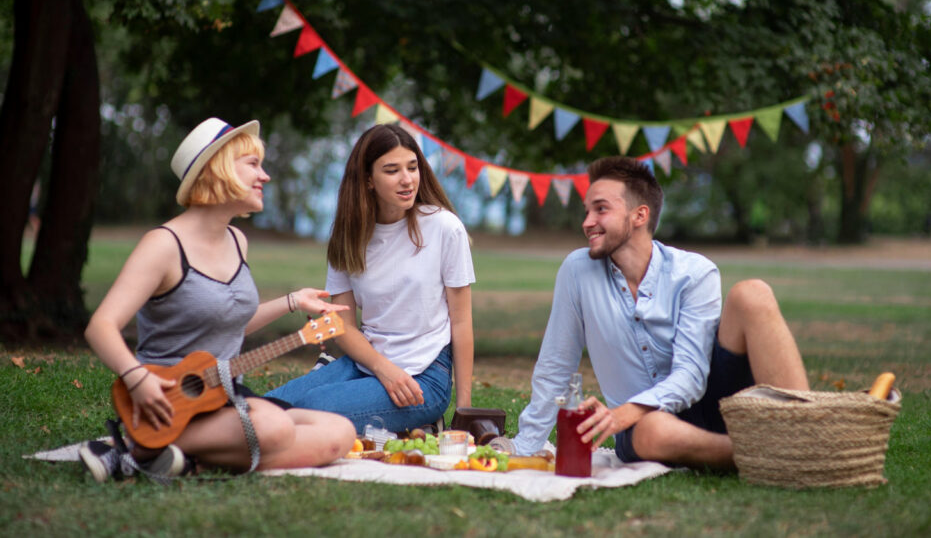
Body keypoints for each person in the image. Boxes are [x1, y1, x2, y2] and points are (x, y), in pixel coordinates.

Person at [80, 117, 356, 482]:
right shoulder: (163, 245)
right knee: (276, 429)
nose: (266, 176)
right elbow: (101, 326)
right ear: (219, 169)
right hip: (166, 401)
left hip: (220, 394)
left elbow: (229, 323)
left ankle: (177, 460)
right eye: (253, 164)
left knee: (339, 433)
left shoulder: (237, 241)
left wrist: (292, 301)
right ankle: (137, 442)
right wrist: (136, 379)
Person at [513, 156, 809, 469]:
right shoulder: (577, 271)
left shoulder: (695, 273)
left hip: (717, 403)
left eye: (600, 209)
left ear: (639, 215)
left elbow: (692, 376)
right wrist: (524, 446)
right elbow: (555, 364)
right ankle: (773, 454)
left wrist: (623, 412)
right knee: (654, 429)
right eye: (587, 210)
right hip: (646, 430)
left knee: (753, 293)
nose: (587, 222)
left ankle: (807, 431)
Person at [265, 124, 475, 434]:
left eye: (412, 167)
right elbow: (343, 325)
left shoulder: (445, 228)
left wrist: (464, 412)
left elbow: (461, 321)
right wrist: (383, 368)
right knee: (267, 407)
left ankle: (427, 419)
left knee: (311, 409)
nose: (407, 179)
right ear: (368, 180)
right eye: (392, 170)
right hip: (366, 362)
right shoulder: (349, 235)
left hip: (425, 376)